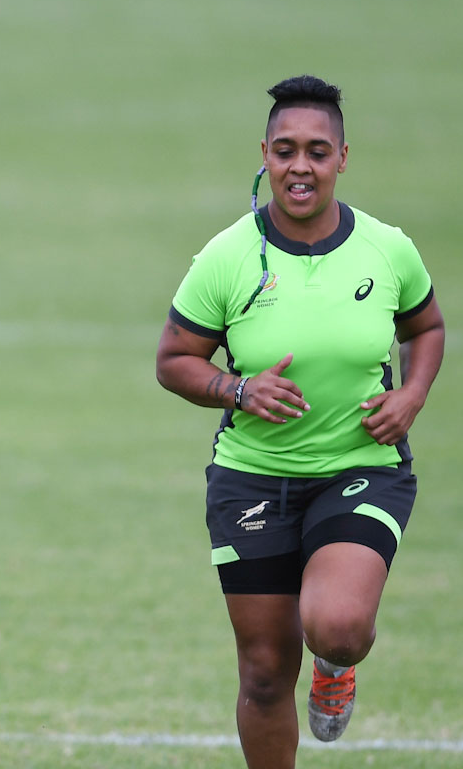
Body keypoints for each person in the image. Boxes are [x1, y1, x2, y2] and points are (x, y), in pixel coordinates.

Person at [156, 75, 444, 768]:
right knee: (262, 671)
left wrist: (412, 395)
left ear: (343, 158)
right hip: (252, 479)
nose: (300, 167)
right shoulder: (226, 258)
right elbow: (173, 360)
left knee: (337, 627)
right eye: (285, 151)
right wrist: (237, 387)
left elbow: (426, 327)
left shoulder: (386, 249)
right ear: (265, 154)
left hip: (360, 469)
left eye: (317, 151)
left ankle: (338, 667)